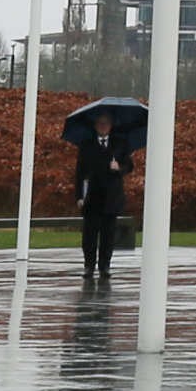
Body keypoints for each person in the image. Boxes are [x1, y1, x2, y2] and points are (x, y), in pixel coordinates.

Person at [72, 107, 135, 281]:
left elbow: (129, 165)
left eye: (105, 124)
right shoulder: (86, 145)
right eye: (99, 124)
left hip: (112, 196)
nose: (102, 126)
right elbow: (80, 173)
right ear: (95, 126)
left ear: (110, 125)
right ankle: (89, 265)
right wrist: (79, 196)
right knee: (90, 234)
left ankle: (105, 265)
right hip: (92, 196)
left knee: (108, 233)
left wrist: (118, 168)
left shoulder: (119, 144)